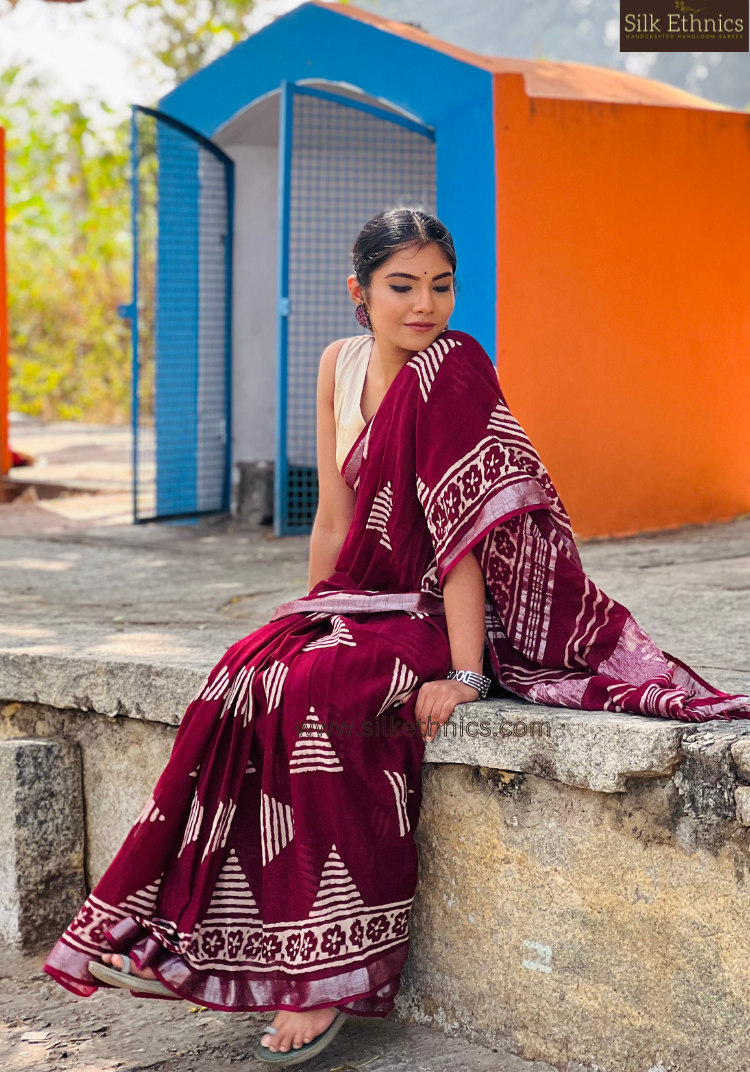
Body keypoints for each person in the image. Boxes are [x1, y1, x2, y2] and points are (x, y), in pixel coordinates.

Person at [44, 209, 750, 1067]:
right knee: (246, 676)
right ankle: (189, 935)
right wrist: (312, 615)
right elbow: (335, 514)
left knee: (319, 694)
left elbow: (460, 540)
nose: (426, 306)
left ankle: (330, 973)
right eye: (403, 286)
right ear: (360, 293)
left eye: (441, 285)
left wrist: (465, 671)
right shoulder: (338, 367)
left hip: (438, 607)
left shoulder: (453, 367)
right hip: (362, 595)